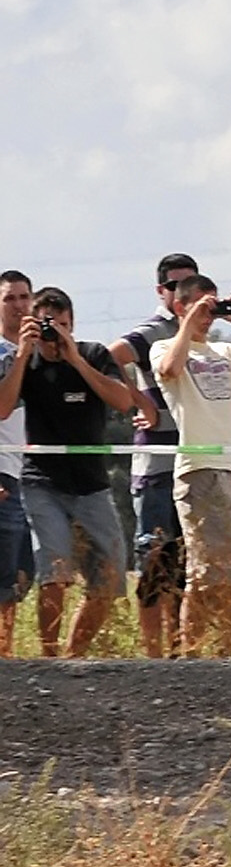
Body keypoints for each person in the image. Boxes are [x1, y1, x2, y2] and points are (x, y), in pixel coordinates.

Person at [0, 287, 135, 657]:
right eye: (47, 326)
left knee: (110, 576)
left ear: (73, 326)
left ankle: (73, 654)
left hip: (92, 484)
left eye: (62, 326)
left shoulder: (94, 355)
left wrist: (74, 358)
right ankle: (48, 655)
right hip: (43, 483)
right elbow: (2, 407)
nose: (54, 334)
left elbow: (123, 401)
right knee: (55, 570)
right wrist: (24, 353)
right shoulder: (25, 363)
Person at [151, 275, 231, 657]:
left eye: (213, 308)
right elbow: (170, 370)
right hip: (195, 468)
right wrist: (189, 322)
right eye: (202, 307)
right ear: (180, 306)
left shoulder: (225, 351)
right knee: (203, 571)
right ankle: (191, 652)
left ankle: (224, 649)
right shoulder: (164, 347)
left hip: (225, 469)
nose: (209, 316)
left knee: (229, 569)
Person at [109, 253, 197, 658]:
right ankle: (151, 656)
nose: (184, 293)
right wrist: (137, 403)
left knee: (183, 566)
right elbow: (112, 356)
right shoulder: (153, 329)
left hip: (192, 462)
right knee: (152, 561)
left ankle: (180, 652)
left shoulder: (202, 331)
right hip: (157, 464)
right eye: (175, 285)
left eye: (190, 283)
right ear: (161, 291)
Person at [0, 271, 34, 656]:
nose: (19, 305)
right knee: (4, 575)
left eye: (25, 297)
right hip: (4, 473)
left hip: (34, 474)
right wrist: (21, 356)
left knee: (24, 574)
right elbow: (4, 406)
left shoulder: (44, 347)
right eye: (10, 298)